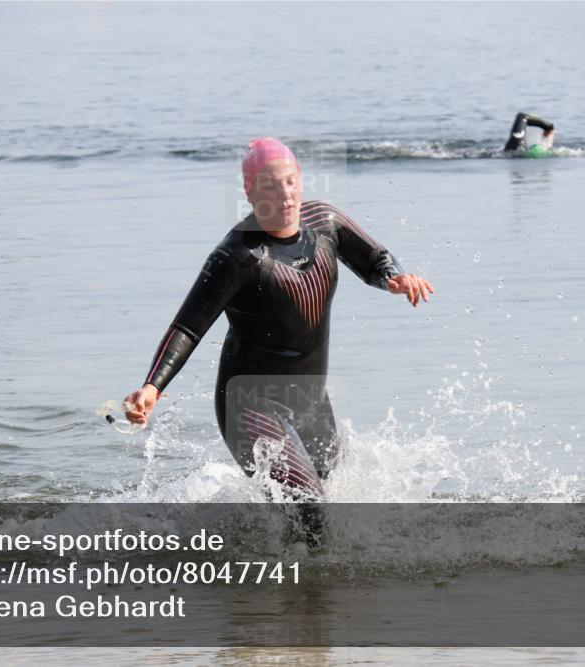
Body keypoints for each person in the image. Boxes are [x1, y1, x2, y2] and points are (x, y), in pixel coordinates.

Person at [123, 137, 434, 502]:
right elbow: (188, 327)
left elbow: (376, 262)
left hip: (312, 402)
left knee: (332, 501)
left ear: (301, 180)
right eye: (270, 185)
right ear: (250, 191)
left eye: (290, 181)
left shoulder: (325, 224)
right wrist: (152, 387)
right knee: (310, 507)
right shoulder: (237, 255)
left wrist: (395, 280)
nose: (284, 194)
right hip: (249, 405)